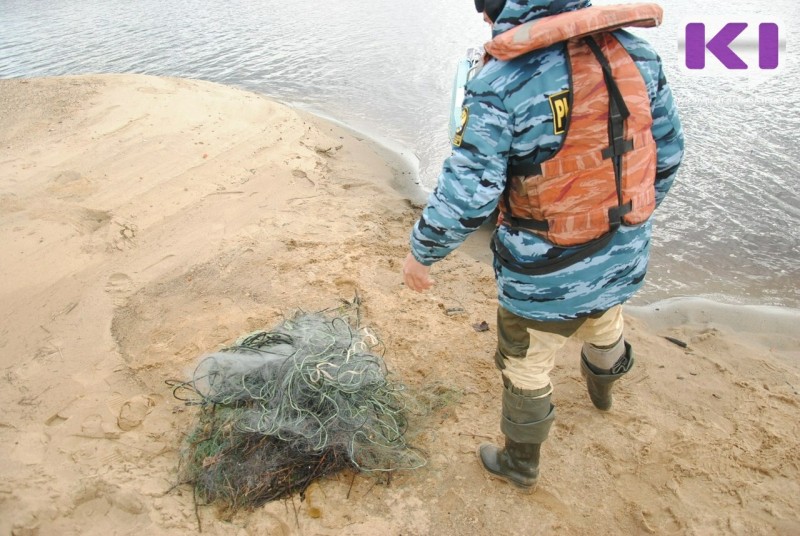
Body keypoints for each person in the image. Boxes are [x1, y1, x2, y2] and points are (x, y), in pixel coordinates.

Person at [402, 0, 685, 491]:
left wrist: (421, 252)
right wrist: (626, 222)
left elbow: (469, 196)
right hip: (625, 251)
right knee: (605, 320)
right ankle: (603, 394)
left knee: (525, 360)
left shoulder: (499, 83)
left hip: (542, 272)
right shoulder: (635, 54)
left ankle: (520, 464)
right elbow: (669, 153)